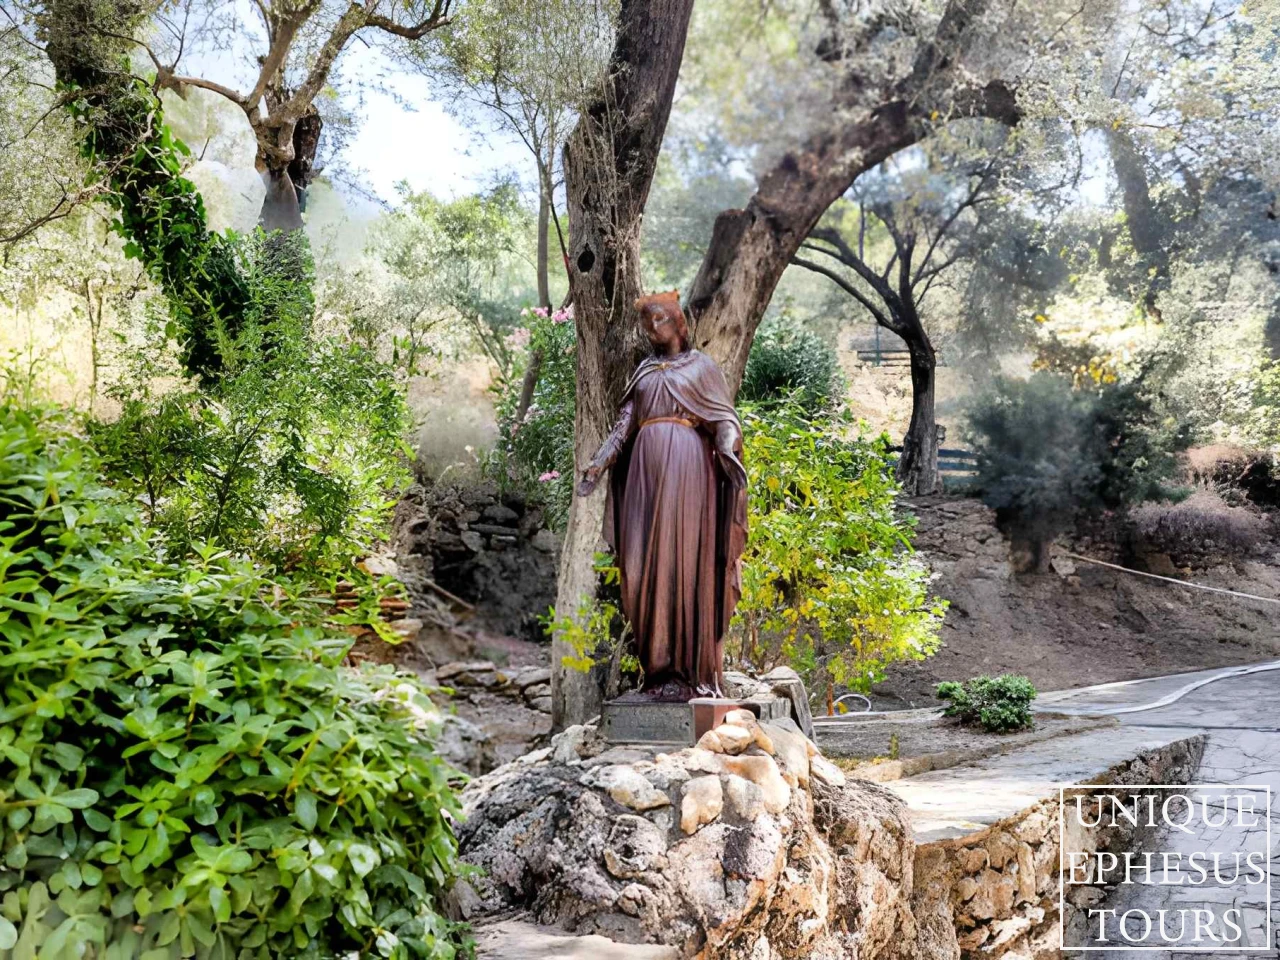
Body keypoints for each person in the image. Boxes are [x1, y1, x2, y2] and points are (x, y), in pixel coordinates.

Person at [577, 291, 748, 700]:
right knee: (639, 568)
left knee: (684, 561)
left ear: (678, 321)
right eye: (646, 323)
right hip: (643, 478)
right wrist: (600, 461)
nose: (653, 328)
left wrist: (727, 446)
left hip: (689, 474)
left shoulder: (702, 368)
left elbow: (724, 419)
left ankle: (687, 673)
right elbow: (624, 424)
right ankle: (656, 673)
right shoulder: (643, 372)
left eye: (659, 319)